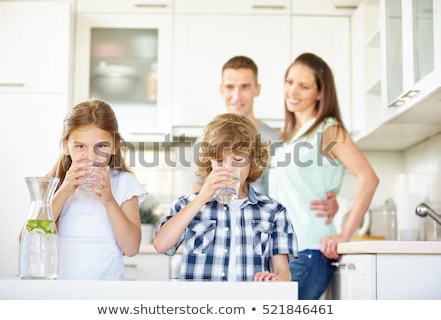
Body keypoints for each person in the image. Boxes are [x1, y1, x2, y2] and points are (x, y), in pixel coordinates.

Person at [268, 52, 379, 299]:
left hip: (309, 252)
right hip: (286, 253)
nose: (292, 91)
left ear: (320, 92)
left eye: (304, 86)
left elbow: (368, 178)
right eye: (289, 82)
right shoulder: (290, 137)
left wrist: (344, 234)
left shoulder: (329, 130)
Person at [192, 55, 339, 222]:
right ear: (221, 90)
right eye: (230, 87)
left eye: (245, 87)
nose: (237, 95)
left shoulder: (277, 139)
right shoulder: (205, 139)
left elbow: (297, 186)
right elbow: (198, 193)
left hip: (265, 232)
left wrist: (330, 200)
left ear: (257, 89)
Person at [154, 113, 297, 281]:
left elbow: (283, 274)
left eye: (237, 159)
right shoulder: (188, 205)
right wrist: (201, 199)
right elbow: (161, 245)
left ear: (253, 160)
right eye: (220, 160)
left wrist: (274, 280)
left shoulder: (273, 211)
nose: (228, 168)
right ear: (209, 163)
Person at [47, 99, 147, 280]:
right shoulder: (54, 184)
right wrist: (64, 191)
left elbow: (131, 248)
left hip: (107, 294)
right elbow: (28, 238)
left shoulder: (124, 183)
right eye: (80, 146)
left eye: (101, 146)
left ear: (115, 145)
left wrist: (109, 201)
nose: (92, 156)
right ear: (65, 146)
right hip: (60, 291)